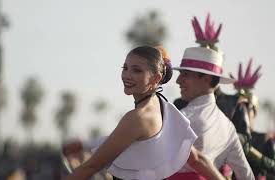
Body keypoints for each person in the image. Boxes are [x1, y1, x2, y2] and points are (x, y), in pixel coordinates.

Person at [64, 46, 225, 180]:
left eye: (137, 70)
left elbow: (91, 166)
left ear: (156, 78)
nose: (127, 75)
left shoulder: (137, 118)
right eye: (125, 68)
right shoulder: (165, 108)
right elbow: (197, 159)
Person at [170, 46, 255, 180]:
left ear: (207, 79)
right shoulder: (228, 128)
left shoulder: (182, 117)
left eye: (185, 74)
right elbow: (246, 175)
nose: (178, 80)